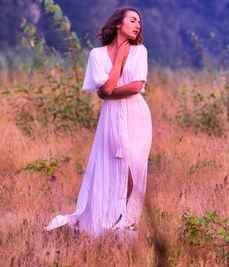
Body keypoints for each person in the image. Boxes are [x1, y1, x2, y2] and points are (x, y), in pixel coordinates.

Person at [45, 6, 152, 237]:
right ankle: (104, 221)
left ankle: (122, 222)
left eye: (139, 22)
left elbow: (134, 86)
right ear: (117, 24)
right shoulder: (97, 54)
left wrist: (109, 89)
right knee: (111, 170)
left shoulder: (140, 51)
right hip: (111, 118)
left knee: (134, 172)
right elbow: (103, 91)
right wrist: (119, 60)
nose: (137, 25)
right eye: (133, 20)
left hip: (137, 116)